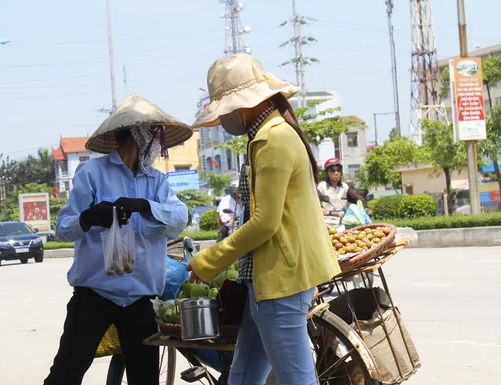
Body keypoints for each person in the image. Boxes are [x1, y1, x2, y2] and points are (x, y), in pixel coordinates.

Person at [186, 54, 341, 385]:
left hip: (279, 281)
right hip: (266, 280)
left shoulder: (272, 139)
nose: (223, 121)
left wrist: (209, 260)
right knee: (242, 376)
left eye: (224, 111)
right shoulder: (266, 136)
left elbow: (265, 223)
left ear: (242, 106)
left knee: (295, 379)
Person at [43, 94, 190, 385]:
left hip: (139, 299)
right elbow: (63, 228)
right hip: (95, 294)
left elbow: (179, 219)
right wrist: (88, 218)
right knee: (65, 374)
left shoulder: (157, 182)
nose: (158, 145)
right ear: (138, 136)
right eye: (153, 137)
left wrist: (145, 206)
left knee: (145, 379)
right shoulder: (92, 173)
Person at [317, 158, 371, 229]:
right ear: (327, 172)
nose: (336, 173)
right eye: (332, 170)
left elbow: (357, 198)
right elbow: (314, 206)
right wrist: (329, 212)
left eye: (338, 170)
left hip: (343, 222)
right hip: (326, 223)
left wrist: (366, 208)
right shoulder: (321, 186)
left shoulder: (345, 187)